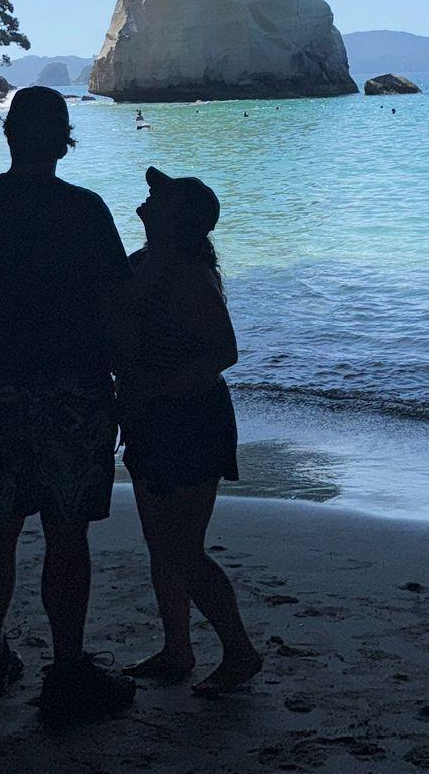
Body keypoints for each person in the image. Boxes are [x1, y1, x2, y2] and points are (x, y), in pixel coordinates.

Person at [0, 86, 135, 725]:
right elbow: (114, 306)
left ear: (9, 134)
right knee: (66, 529)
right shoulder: (86, 211)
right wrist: (123, 382)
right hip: (76, 387)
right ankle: (67, 665)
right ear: (64, 138)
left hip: (3, 386)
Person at [119, 167, 260, 695]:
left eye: (160, 195)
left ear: (178, 219)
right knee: (161, 545)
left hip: (191, 419)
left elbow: (224, 352)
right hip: (151, 418)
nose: (147, 198)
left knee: (183, 549)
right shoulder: (145, 264)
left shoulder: (188, 276)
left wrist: (154, 386)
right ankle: (177, 649)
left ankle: (240, 651)